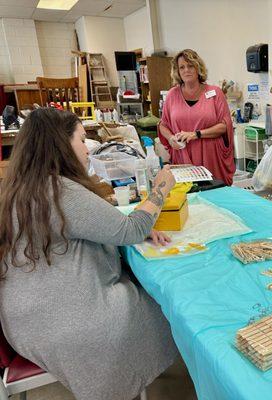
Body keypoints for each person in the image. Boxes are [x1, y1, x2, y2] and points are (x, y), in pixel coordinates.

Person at [0, 108, 178, 400]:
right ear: (61, 144)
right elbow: (130, 230)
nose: (86, 150)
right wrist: (159, 189)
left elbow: (90, 228)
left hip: (20, 324)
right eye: (82, 140)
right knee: (164, 305)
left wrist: (125, 226)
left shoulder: (16, 189)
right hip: (65, 325)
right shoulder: (58, 190)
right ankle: (126, 379)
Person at [158, 48, 235, 185]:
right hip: (183, 156)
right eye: (182, 67)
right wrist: (171, 139)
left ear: (198, 68)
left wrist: (196, 134)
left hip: (211, 156)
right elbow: (163, 124)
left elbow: (224, 125)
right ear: (177, 71)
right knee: (188, 196)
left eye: (190, 66)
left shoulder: (215, 93)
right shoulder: (172, 95)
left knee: (213, 196)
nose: (186, 70)